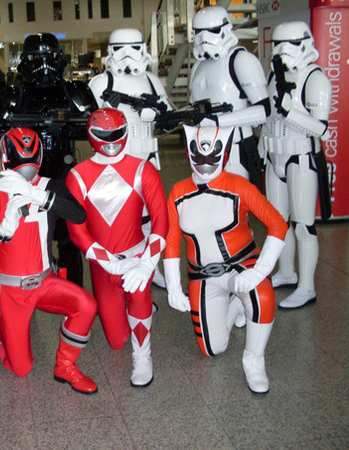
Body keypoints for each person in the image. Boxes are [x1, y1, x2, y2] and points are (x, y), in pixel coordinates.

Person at [164, 125, 288, 394]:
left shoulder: (239, 186)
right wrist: (173, 287)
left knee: (261, 295)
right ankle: (236, 305)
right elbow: (172, 241)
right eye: (198, 156)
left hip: (241, 266)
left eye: (212, 156)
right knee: (212, 349)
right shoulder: (178, 192)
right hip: (202, 275)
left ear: (225, 153)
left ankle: (254, 359)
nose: (205, 163)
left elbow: (278, 224)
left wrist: (260, 271)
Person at [0, 127, 98, 394]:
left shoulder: (50, 187)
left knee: (86, 305)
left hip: (45, 282)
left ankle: (65, 366)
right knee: (20, 368)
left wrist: (39, 196)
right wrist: (3, 229)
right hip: (10, 291)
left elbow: (78, 215)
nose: (27, 169)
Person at [66, 108, 168, 387]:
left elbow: (161, 221)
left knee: (139, 295)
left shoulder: (143, 168)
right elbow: (76, 231)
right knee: (116, 339)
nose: (110, 141)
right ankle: (138, 309)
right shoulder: (77, 175)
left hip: (137, 258)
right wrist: (111, 263)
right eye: (103, 135)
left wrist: (146, 264)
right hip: (103, 266)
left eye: (116, 134)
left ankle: (143, 355)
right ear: (91, 135)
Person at [0, 33, 98, 286]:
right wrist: (24, 132)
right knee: (23, 235)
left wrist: (66, 129)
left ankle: (73, 290)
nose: (44, 66)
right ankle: (28, 286)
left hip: (64, 174)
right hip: (23, 177)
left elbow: (95, 127)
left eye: (48, 58)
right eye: (37, 58)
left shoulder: (74, 90)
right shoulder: (14, 94)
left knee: (70, 238)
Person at [88, 28, 173, 288]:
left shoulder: (151, 81)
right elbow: (89, 123)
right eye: (120, 49)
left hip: (147, 159)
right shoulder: (102, 83)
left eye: (133, 48)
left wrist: (155, 114)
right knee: (118, 218)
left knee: (150, 217)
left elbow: (169, 117)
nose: (127, 55)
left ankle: (150, 266)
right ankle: (117, 267)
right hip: (114, 161)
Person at [260, 21, 332, 310]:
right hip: (274, 155)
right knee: (278, 222)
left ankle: (306, 287)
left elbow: (322, 129)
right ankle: (287, 272)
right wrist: (263, 146)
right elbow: (269, 117)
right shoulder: (274, 76)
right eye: (277, 45)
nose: (281, 52)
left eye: (287, 45)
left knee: (303, 225)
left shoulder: (315, 79)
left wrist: (292, 112)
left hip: (301, 157)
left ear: (304, 45)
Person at [189, 5, 270, 189]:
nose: (204, 38)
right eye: (198, 32)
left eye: (212, 31)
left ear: (226, 29)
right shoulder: (198, 66)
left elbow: (263, 110)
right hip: (203, 150)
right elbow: (193, 108)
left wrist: (218, 121)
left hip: (235, 147)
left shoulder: (241, 60)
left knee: (236, 203)